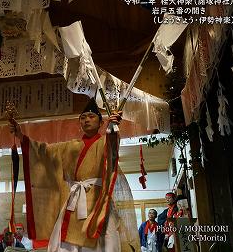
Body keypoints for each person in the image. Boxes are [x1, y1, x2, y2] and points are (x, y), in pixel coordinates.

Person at [9, 99, 139, 251]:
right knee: (67, 241)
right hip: (75, 200)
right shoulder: (71, 146)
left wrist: (113, 127)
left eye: (91, 116)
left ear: (101, 123)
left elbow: (112, 148)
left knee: (106, 238)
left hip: (98, 200)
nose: (86, 120)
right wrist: (21, 135)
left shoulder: (104, 141)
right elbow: (44, 152)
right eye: (83, 118)